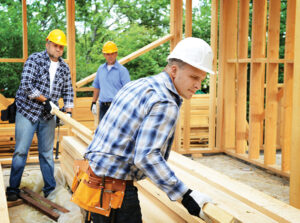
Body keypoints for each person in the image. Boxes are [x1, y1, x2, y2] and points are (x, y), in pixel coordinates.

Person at [84, 37, 215, 223]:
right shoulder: (165, 102)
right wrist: (186, 195)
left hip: (93, 181)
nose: (198, 85)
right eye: (194, 77)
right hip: (115, 190)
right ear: (174, 70)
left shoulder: (139, 85)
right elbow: (146, 157)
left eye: (202, 79)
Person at [6, 29, 74, 201]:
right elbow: (26, 85)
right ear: (48, 44)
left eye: (61, 47)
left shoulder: (64, 68)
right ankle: (13, 188)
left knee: (46, 153)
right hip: (27, 111)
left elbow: (68, 91)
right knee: (21, 151)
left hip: (48, 116)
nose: (59, 49)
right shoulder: (34, 60)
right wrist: (46, 101)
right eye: (55, 45)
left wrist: (68, 110)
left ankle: (50, 189)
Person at [90, 41, 130, 122]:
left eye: (112, 53)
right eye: (107, 54)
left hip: (117, 106)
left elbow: (128, 90)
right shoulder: (100, 69)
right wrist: (93, 102)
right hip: (103, 107)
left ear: (116, 54)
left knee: (116, 132)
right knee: (102, 131)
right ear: (104, 55)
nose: (110, 56)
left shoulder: (122, 71)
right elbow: (97, 87)